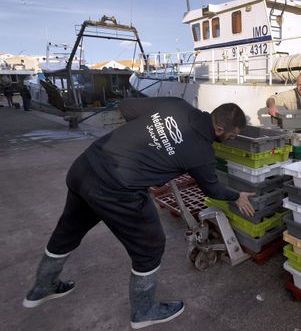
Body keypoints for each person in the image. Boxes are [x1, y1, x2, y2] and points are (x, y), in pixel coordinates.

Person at [22, 97, 256, 329]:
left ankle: (42, 287)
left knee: (69, 230)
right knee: (150, 246)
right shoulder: (202, 154)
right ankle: (143, 312)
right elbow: (212, 188)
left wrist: (149, 136)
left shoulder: (176, 105)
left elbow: (126, 106)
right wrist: (237, 196)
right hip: (117, 188)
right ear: (219, 129)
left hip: (86, 166)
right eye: (232, 136)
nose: (232, 140)